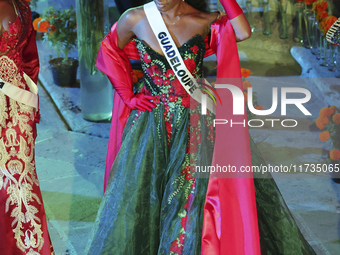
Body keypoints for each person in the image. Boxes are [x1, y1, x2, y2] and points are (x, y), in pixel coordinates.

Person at [86, 0, 317, 254]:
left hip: (196, 122)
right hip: (150, 123)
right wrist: (127, 94)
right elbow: (108, 49)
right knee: (142, 198)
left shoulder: (204, 20)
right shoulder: (135, 17)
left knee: (190, 198)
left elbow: (242, 32)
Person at [0, 0, 54, 254]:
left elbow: (30, 59)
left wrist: (31, 106)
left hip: (18, 109)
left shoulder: (20, 4)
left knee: (21, 183)